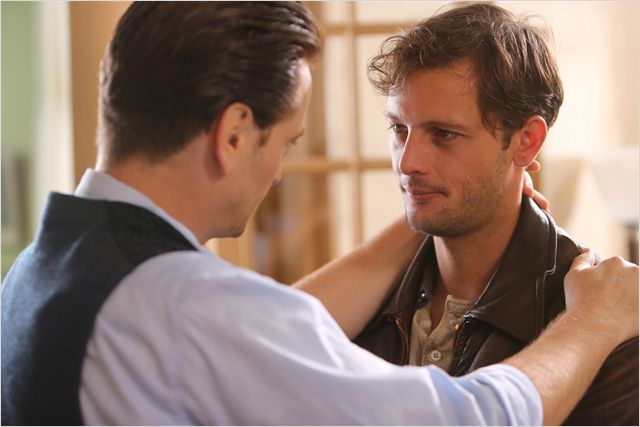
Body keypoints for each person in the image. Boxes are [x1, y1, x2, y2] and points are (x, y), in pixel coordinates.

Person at [1, 2, 637, 425]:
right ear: (233, 135)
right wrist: (591, 324)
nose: (408, 163)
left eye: (443, 135)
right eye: (286, 143)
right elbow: (463, 419)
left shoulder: (36, 274)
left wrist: (426, 208)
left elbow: (267, 330)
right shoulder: (181, 305)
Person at [351, 2, 639, 425]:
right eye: (399, 129)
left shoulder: (613, 324)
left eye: (443, 134)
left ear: (526, 141)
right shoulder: (361, 301)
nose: (407, 162)